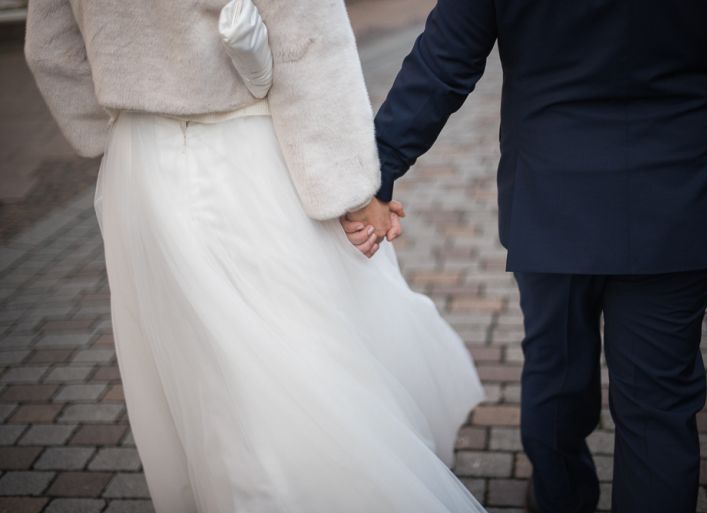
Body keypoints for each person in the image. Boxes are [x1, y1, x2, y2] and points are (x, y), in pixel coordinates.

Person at [24, 1, 486, 512]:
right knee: (294, 358)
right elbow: (307, 45)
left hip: (138, 166)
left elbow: (50, 49)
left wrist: (119, 120)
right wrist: (353, 194)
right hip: (244, 156)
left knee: (194, 374)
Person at [342, 1, 707, 512]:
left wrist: (375, 177)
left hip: (552, 197)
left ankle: (560, 498)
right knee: (659, 407)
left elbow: (443, 63)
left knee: (556, 367)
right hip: (673, 195)